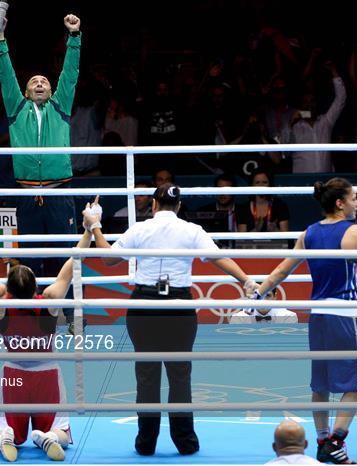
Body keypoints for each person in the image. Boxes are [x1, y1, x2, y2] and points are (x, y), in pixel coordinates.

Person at [82, 183, 256, 456]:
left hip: (144, 306)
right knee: (180, 375)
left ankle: (146, 442)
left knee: (147, 376)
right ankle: (185, 442)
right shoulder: (192, 230)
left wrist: (95, 225)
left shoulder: (140, 229)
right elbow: (219, 258)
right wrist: (246, 280)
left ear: (153, 205)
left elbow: (108, 259)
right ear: (178, 206)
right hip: (178, 307)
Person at [0, 200, 95, 462]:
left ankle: (6, 437)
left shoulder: (0, 301)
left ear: (9, 288)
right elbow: (74, 262)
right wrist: (88, 227)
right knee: (60, 431)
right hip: (47, 375)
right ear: (34, 285)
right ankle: (48, 437)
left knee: (3, 431)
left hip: (13, 375)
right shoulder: (50, 300)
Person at [253, 178, 357, 464]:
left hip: (318, 314)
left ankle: (322, 441)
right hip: (345, 313)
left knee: (320, 384)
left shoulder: (308, 233)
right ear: (340, 202)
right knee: (355, 384)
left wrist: (257, 294)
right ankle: (335, 441)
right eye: (354, 198)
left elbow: (282, 270)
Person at [0, 9, 82, 332]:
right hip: (27, 193)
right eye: (34, 81)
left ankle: (70, 317)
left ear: (52, 90)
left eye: (44, 81)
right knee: (29, 260)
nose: (40, 83)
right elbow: (5, 75)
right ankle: (28, 318)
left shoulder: (60, 106)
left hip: (59, 192)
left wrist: (74, 37)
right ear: (26, 92)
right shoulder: (17, 109)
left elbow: (70, 73)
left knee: (64, 258)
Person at [230, 288, 298, 324]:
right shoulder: (239, 318)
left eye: (268, 296)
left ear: (275, 296)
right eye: (259, 297)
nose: (263, 301)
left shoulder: (288, 316)